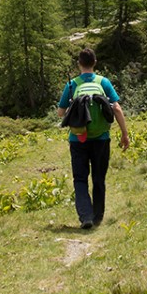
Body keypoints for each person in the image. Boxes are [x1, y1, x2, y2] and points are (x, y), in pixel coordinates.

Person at [57, 47, 129, 229]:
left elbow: (60, 113)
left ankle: (85, 216)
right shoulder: (103, 82)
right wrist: (124, 134)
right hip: (102, 138)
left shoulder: (72, 85)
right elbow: (117, 108)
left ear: (79, 64)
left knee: (80, 178)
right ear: (95, 62)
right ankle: (97, 217)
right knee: (99, 178)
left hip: (78, 139)